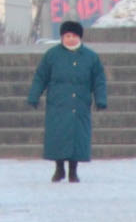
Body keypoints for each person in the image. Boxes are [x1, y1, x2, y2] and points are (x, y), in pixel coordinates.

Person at [30, 18, 108, 182]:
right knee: (58, 137)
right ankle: (59, 169)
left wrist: (101, 99)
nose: (70, 39)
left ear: (79, 37)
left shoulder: (90, 57)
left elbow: (99, 79)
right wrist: (34, 96)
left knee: (77, 138)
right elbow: (40, 77)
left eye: (74, 36)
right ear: (62, 38)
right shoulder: (52, 55)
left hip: (79, 104)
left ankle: (73, 170)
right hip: (58, 104)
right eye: (67, 36)